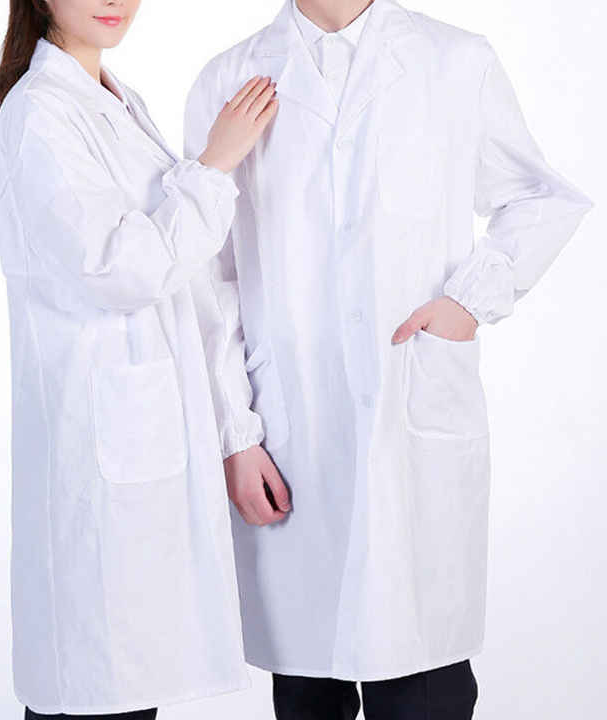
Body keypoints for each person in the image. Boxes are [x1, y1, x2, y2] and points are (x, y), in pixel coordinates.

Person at [183, 0, 593, 717]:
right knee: (308, 685)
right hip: (291, 435)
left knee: (423, 679)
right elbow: (209, 277)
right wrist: (235, 434)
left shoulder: (455, 59)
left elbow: (539, 196)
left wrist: (469, 301)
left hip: (412, 414)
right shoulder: (229, 78)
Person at [0, 0, 278, 717]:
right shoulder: (40, 113)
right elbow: (118, 272)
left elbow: (189, 279)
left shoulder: (116, 100)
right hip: (97, 455)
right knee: (97, 689)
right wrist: (215, 165)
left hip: (146, 447)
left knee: (126, 687)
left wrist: (234, 432)